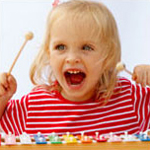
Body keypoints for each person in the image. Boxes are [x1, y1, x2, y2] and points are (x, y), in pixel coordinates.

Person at [0, 0, 150, 136]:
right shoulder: (34, 107)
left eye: (86, 47)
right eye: (61, 47)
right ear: (48, 53)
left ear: (108, 56)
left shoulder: (128, 97)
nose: (71, 58)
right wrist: (2, 98)